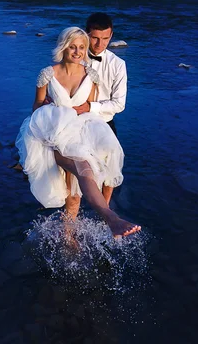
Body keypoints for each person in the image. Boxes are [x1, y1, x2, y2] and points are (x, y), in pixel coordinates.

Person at [16, 27, 140, 238]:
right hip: (52, 136)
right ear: (63, 47)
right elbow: (36, 106)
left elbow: (89, 109)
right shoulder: (47, 74)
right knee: (83, 169)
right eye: (72, 47)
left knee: (74, 193)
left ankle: (68, 236)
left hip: (81, 134)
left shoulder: (91, 75)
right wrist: (47, 108)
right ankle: (111, 219)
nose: (77, 52)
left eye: (82, 47)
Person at [64, 12, 128, 217]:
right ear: (86, 33)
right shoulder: (73, 56)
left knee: (110, 170)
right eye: (95, 38)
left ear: (112, 36)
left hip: (104, 124)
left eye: (106, 39)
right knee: (75, 176)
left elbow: (119, 104)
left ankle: (105, 212)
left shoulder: (118, 65)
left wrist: (90, 107)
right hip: (76, 124)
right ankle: (71, 221)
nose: (100, 44)